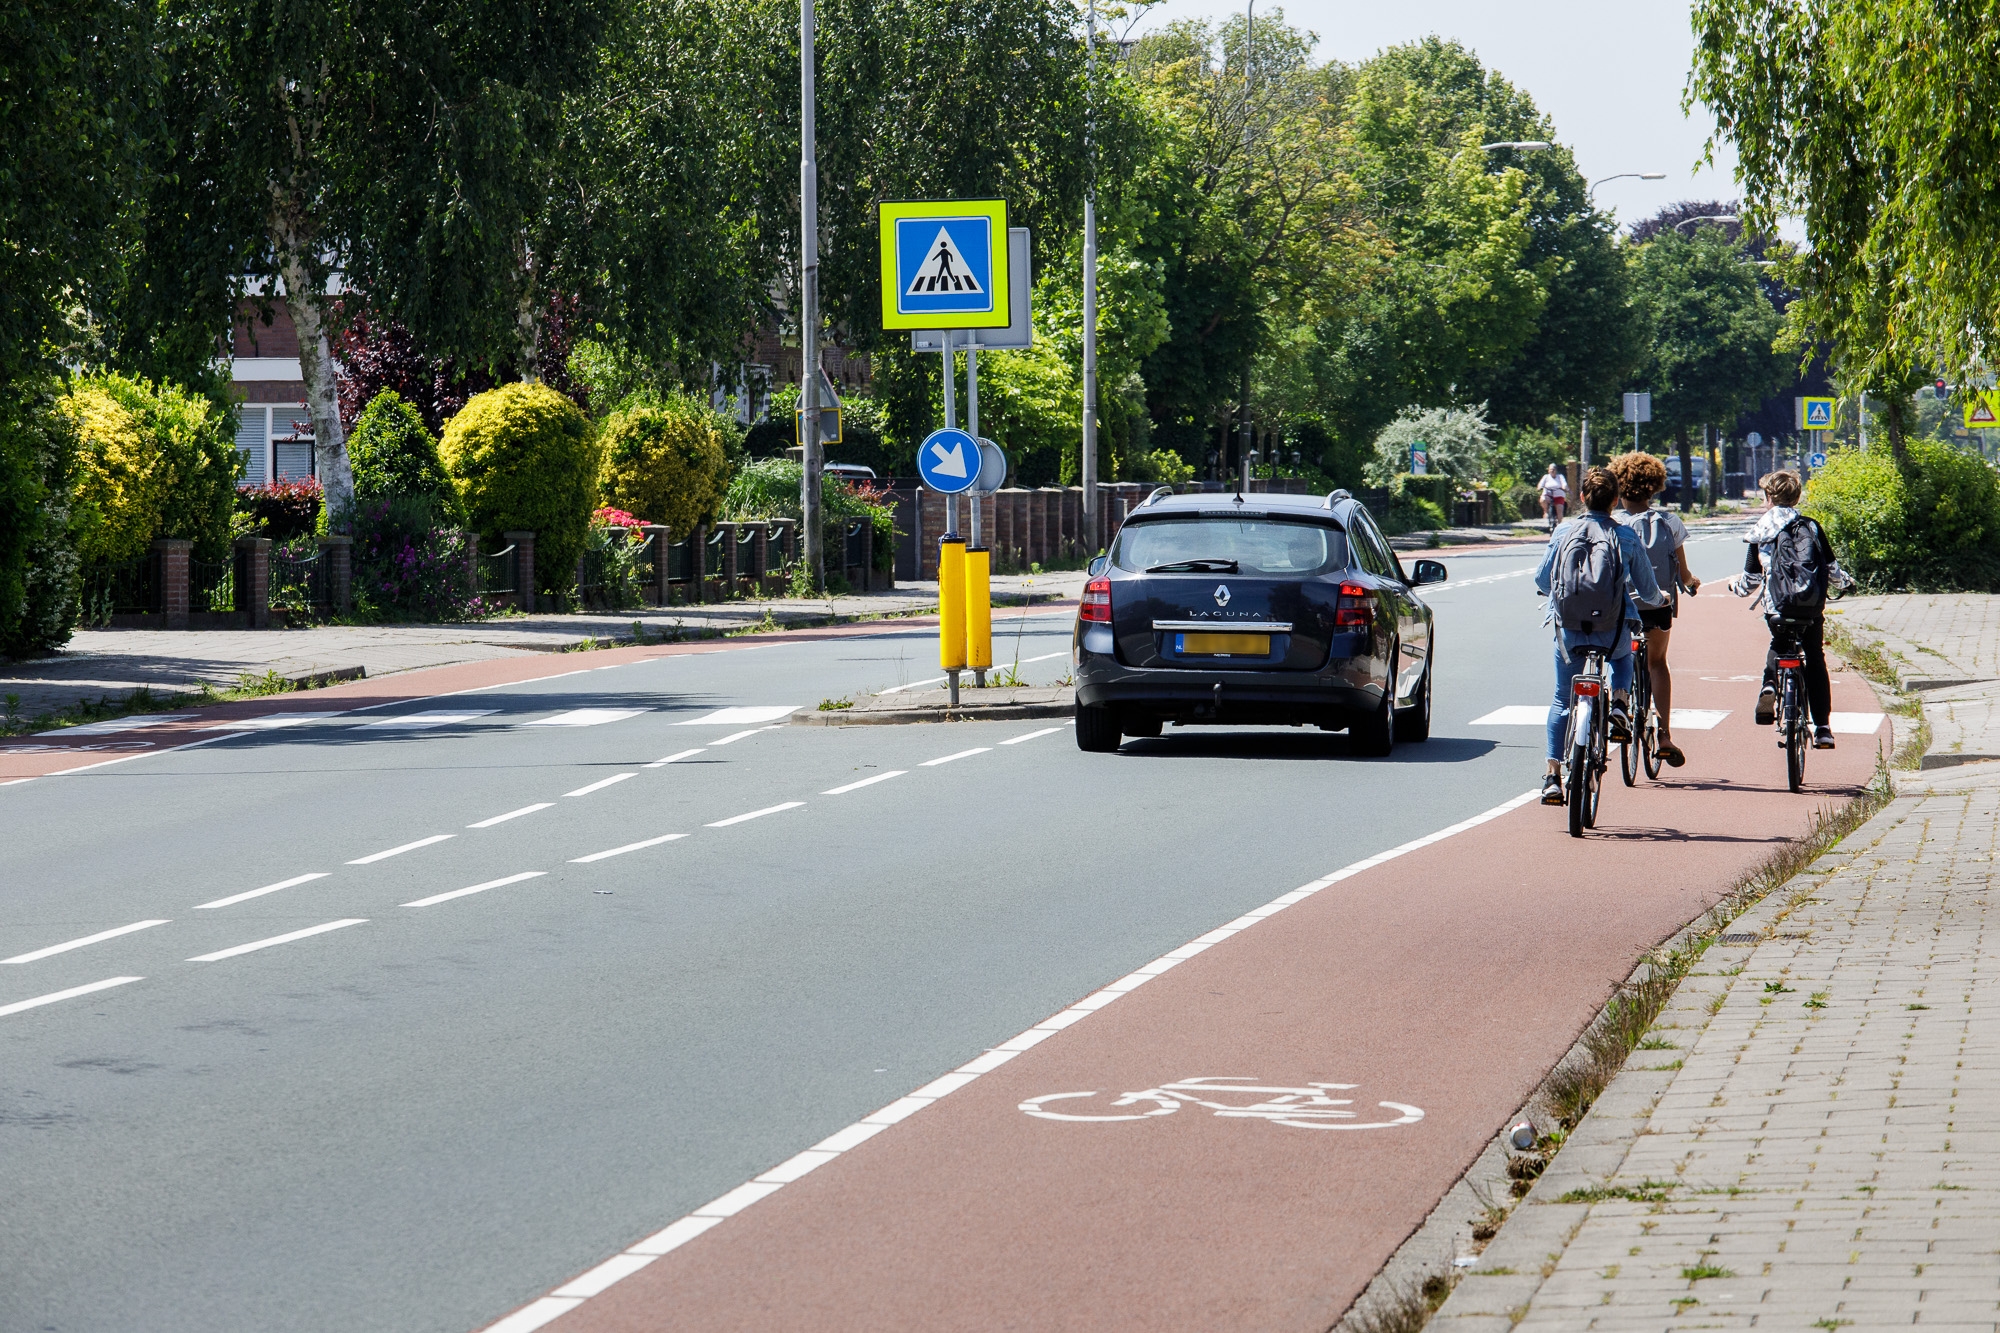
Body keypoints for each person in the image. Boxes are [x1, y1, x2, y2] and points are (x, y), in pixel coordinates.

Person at [1535, 466, 1670, 805]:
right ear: (1615, 501)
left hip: (1569, 630)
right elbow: (1648, 590)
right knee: (1624, 659)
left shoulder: (1564, 532)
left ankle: (1553, 774)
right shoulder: (1625, 536)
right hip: (1611, 630)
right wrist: (1662, 600)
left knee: (1560, 699)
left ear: (1581, 497)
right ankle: (1621, 704)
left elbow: (1540, 581)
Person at [1728, 470, 1854, 750]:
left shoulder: (1761, 531)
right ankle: (1822, 728)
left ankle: (1770, 685)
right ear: (1796, 498)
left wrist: (1733, 588)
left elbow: (1751, 580)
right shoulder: (1811, 527)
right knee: (1814, 656)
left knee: (1779, 642)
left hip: (1778, 608)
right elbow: (1832, 570)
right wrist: (1848, 583)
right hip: (1810, 609)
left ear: (1768, 497)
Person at [1608, 451, 1700, 766]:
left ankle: (1618, 707)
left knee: (1617, 658)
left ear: (1618, 488)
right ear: (1655, 486)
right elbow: (1682, 573)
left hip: (1620, 609)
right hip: (1657, 607)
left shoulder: (1612, 523)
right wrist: (1690, 582)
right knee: (1658, 663)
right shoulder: (1668, 521)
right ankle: (1663, 735)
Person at [1538, 464, 1569, 531]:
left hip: (1558, 495)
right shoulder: (1546, 477)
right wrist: (1540, 487)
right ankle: (1546, 511)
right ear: (1548, 470)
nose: (1552, 471)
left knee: (1560, 509)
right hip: (1548, 494)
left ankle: (1560, 526)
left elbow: (1564, 484)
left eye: (1554, 469)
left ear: (1556, 470)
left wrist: (1564, 487)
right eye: (1551, 469)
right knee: (1543, 499)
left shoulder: (1560, 477)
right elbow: (1540, 484)